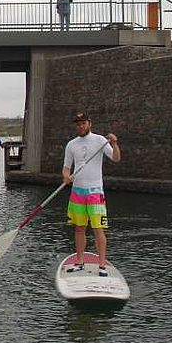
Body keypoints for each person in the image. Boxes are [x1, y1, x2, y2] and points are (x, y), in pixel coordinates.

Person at [62, 112, 121, 277]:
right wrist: (66, 176)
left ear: (89, 123)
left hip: (95, 191)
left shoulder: (101, 141)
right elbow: (66, 168)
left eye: (83, 123)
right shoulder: (71, 145)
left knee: (98, 229)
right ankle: (80, 262)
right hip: (77, 192)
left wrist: (115, 144)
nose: (81, 126)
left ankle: (101, 265)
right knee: (79, 228)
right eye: (78, 124)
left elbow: (116, 158)